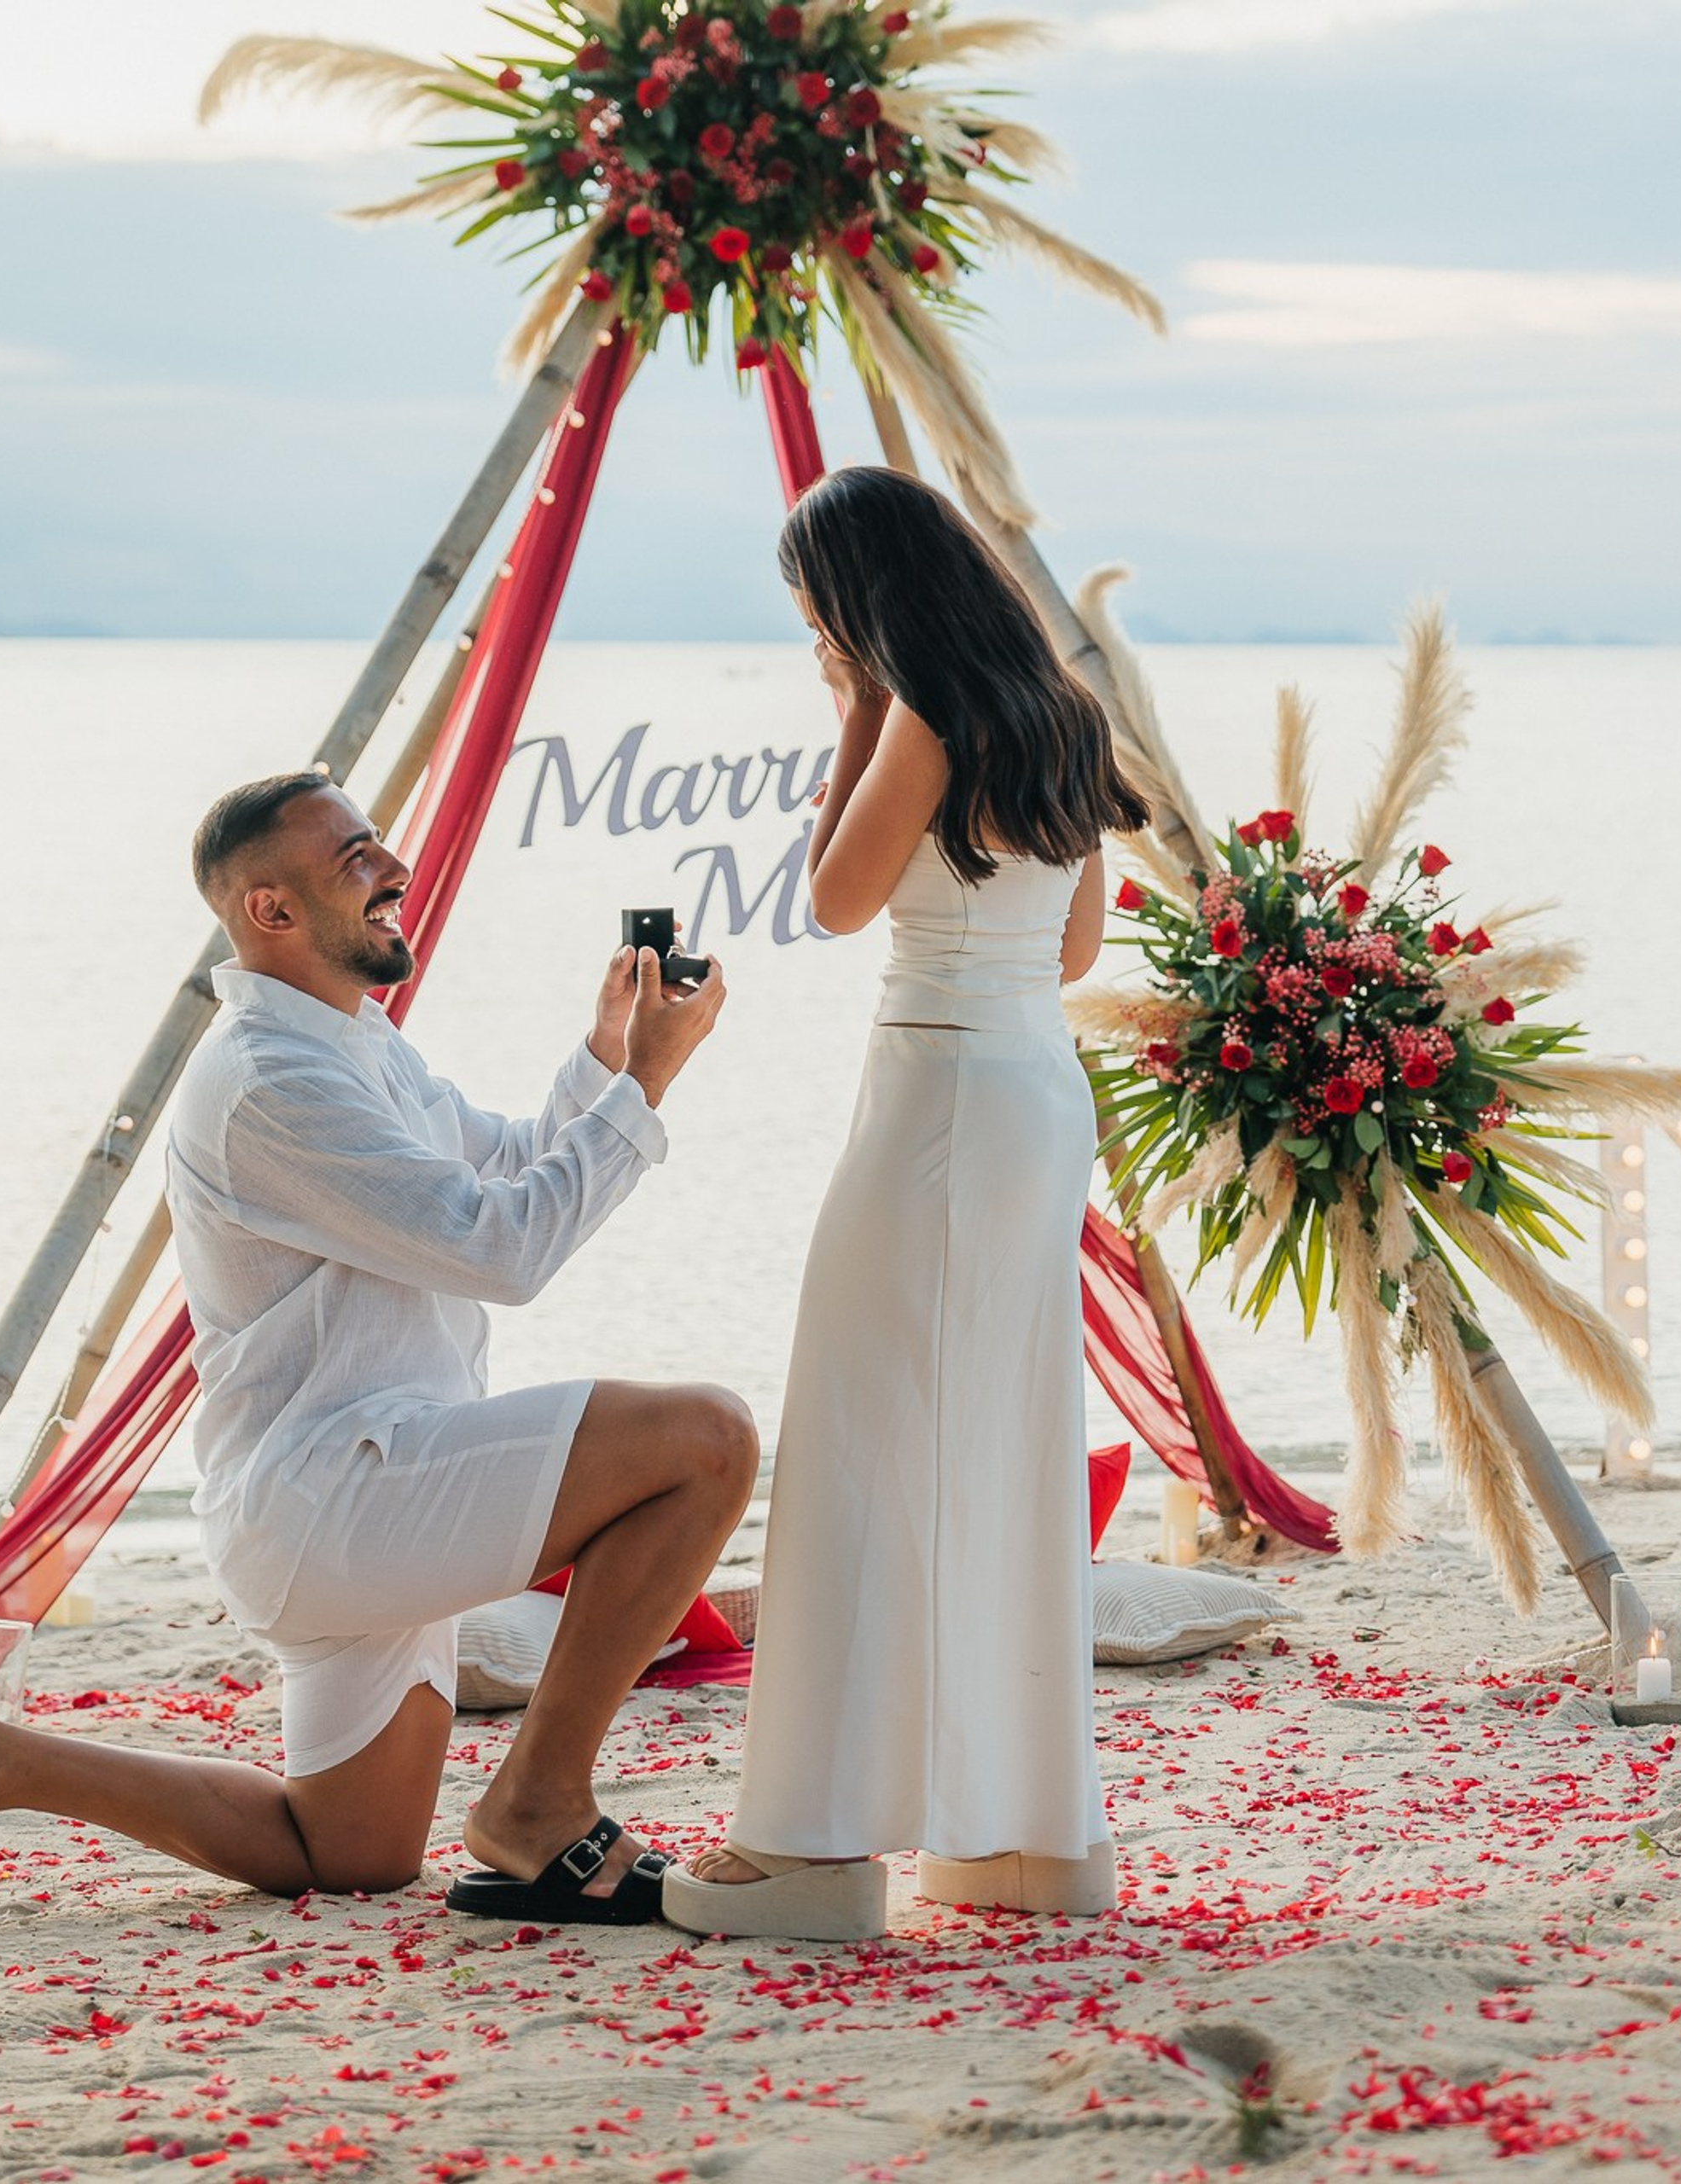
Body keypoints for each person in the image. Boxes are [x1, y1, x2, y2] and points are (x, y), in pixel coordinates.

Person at [0, 771, 751, 1927]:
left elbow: (497, 1164)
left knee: (349, 1849)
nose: (393, 869)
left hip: (369, 1490)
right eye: (355, 859)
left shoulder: (351, 1040)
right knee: (705, 1442)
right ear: (273, 912)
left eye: (377, 846)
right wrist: (646, 1082)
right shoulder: (269, 1082)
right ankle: (542, 1803)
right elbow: (502, 1250)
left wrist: (607, 1054)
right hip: (339, 1495)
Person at [663, 468, 1151, 1943]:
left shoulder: (924, 715)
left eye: (815, 604)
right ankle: (1024, 1838)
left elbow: (833, 897)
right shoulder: (1064, 714)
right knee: (1003, 1448)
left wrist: (854, 718)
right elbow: (1071, 948)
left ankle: (812, 1850)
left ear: (859, 599)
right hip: (1034, 1092)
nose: (810, 627)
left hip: (935, 1097)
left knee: (860, 1449)